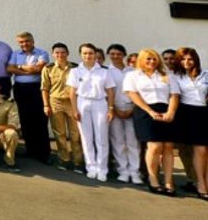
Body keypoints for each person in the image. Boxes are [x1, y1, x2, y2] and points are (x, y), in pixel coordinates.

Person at [123, 48, 181, 196]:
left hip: (166, 110)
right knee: (154, 146)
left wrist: (171, 112)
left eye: (154, 59)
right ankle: (153, 179)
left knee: (168, 146)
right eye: (148, 59)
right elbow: (132, 94)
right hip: (145, 111)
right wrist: (150, 111)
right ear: (141, 60)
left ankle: (168, 181)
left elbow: (174, 95)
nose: (152, 61)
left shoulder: (167, 75)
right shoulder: (133, 75)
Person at [66, 43, 115, 182]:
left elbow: (111, 91)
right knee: (86, 138)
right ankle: (91, 167)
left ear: (95, 55)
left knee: (101, 137)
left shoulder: (104, 71)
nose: (88, 56)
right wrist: (75, 110)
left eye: (91, 53)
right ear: (81, 54)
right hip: (82, 103)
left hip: (100, 103)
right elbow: (72, 93)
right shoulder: (75, 71)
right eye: (85, 53)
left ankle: (102, 169)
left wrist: (111, 109)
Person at [7, 31, 51, 164]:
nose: (24, 44)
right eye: (21, 42)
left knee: (40, 121)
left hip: (37, 89)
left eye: (27, 41)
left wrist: (19, 67)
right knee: (25, 120)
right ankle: (30, 149)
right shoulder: (15, 53)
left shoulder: (42, 53)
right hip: (20, 89)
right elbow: (9, 69)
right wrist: (27, 69)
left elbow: (38, 69)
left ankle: (43, 153)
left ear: (32, 41)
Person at [41, 43, 84, 173]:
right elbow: (44, 88)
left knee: (75, 134)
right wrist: (46, 105)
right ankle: (64, 159)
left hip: (72, 102)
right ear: (53, 54)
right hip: (55, 102)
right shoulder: (48, 68)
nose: (60, 55)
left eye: (63, 52)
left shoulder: (76, 68)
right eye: (57, 53)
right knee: (60, 133)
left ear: (67, 53)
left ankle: (78, 161)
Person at [171, 48, 208, 199]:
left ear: (196, 60)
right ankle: (200, 183)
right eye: (183, 59)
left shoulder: (205, 74)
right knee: (200, 150)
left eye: (190, 59)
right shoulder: (175, 76)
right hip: (187, 114)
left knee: (206, 151)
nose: (186, 62)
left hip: (205, 112)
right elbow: (174, 97)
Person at [106, 43, 142, 184]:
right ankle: (123, 171)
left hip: (132, 109)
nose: (116, 56)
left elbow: (139, 92)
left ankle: (135, 172)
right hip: (114, 109)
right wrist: (113, 109)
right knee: (118, 141)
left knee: (133, 142)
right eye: (113, 54)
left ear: (124, 55)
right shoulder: (106, 71)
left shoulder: (133, 72)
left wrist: (132, 108)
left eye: (119, 54)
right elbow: (106, 92)